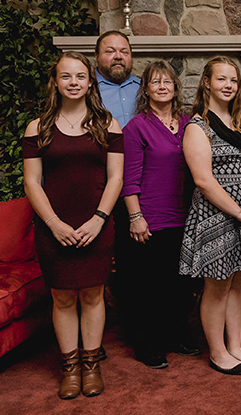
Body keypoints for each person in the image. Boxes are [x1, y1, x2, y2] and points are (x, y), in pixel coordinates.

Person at [22, 52, 123, 399]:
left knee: (94, 295)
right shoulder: (38, 127)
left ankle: (91, 364)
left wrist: (99, 219)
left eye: (81, 76)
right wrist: (53, 223)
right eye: (67, 76)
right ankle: (69, 367)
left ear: (90, 81)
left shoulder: (108, 124)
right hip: (53, 226)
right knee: (63, 297)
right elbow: (32, 182)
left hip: (96, 223)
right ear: (56, 82)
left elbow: (116, 177)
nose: (74, 82)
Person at [179, 56, 241, 375]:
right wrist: (240, 213)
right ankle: (218, 352)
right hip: (217, 214)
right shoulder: (197, 126)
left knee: (237, 282)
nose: (228, 85)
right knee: (217, 285)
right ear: (207, 83)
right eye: (221, 79)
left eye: (233, 80)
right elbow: (203, 179)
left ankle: (235, 347)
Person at [121, 61, 199, 369]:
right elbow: (129, 178)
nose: (163, 86)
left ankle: (176, 336)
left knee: (179, 285)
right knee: (149, 287)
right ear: (147, 89)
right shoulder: (136, 127)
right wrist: (135, 216)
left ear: (176, 87)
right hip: (151, 217)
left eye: (168, 81)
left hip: (185, 215)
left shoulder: (188, 122)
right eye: (155, 82)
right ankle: (148, 344)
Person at [94, 30, 140, 350]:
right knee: (96, 253)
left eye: (123, 51)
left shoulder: (144, 89)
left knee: (132, 255)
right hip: (98, 182)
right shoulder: (86, 88)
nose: (118, 56)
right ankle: (92, 330)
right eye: (110, 51)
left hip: (137, 184)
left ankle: (133, 321)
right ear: (98, 57)